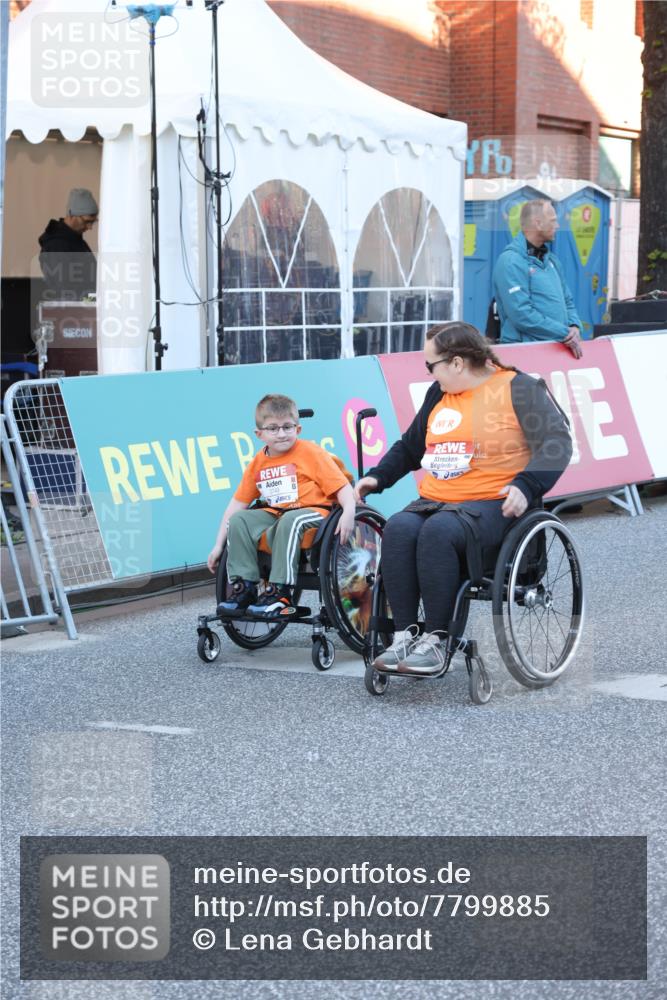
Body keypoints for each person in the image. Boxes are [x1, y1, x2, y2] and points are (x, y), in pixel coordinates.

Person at [354, 322, 572, 673]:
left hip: (493, 502)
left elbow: (557, 442)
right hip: (437, 500)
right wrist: (377, 477)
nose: (428, 372)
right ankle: (404, 636)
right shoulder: (439, 393)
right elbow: (410, 447)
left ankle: (437, 640)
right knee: (399, 528)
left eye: (431, 365)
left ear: (456, 363)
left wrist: (526, 485)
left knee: (439, 531)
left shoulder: (518, 388)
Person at [207, 394, 356, 616]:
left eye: (287, 427)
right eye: (273, 428)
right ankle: (245, 587)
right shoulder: (258, 463)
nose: (281, 434)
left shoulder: (311, 452)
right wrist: (218, 546)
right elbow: (236, 505)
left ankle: (281, 592)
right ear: (259, 434)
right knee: (239, 520)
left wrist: (349, 512)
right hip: (277, 513)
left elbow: (343, 487)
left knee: (290, 520)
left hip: (315, 511)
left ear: (298, 429)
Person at [492, 199, 583, 359]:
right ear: (538, 223)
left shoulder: (552, 260)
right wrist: (564, 333)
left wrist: (574, 326)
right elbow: (521, 314)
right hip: (524, 355)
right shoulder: (511, 261)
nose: (557, 226)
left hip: (556, 350)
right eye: (553, 221)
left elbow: (568, 301)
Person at [38, 188, 98, 301]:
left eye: (93, 222)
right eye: (87, 221)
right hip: (72, 310)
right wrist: (94, 300)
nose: (90, 227)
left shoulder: (75, 240)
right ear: (71, 214)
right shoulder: (56, 245)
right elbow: (67, 291)